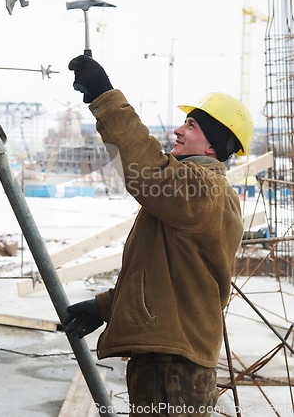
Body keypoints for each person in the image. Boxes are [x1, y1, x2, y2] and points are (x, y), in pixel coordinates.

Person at [63, 55, 254, 417]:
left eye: (192, 125)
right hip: (162, 358)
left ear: (213, 145)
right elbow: (165, 273)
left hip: (178, 365)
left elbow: (145, 171)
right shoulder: (183, 195)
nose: (179, 131)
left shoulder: (205, 191)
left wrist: (105, 97)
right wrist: (107, 306)